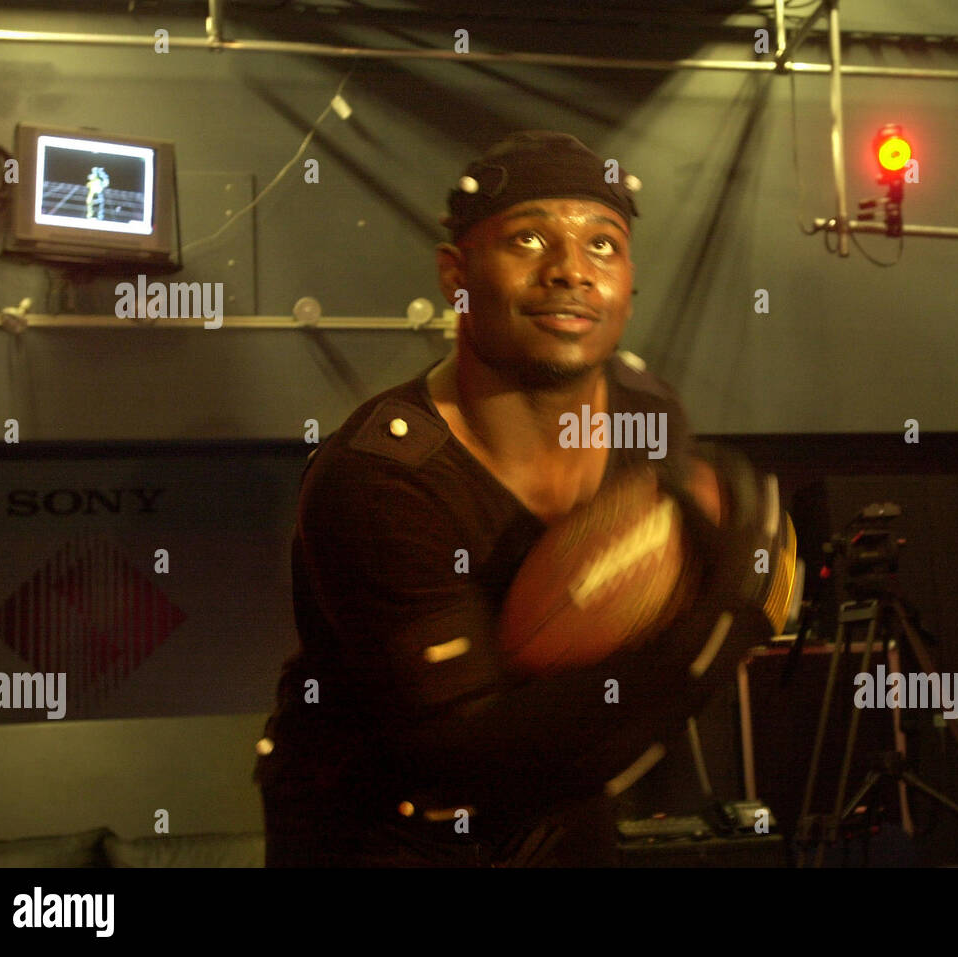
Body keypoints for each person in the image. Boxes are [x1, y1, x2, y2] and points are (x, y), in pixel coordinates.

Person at [255, 131, 756, 867]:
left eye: (604, 245)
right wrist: (720, 628)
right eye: (528, 239)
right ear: (455, 275)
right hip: (381, 832)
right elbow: (465, 753)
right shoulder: (380, 476)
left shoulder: (648, 414)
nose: (571, 272)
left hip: (562, 811)